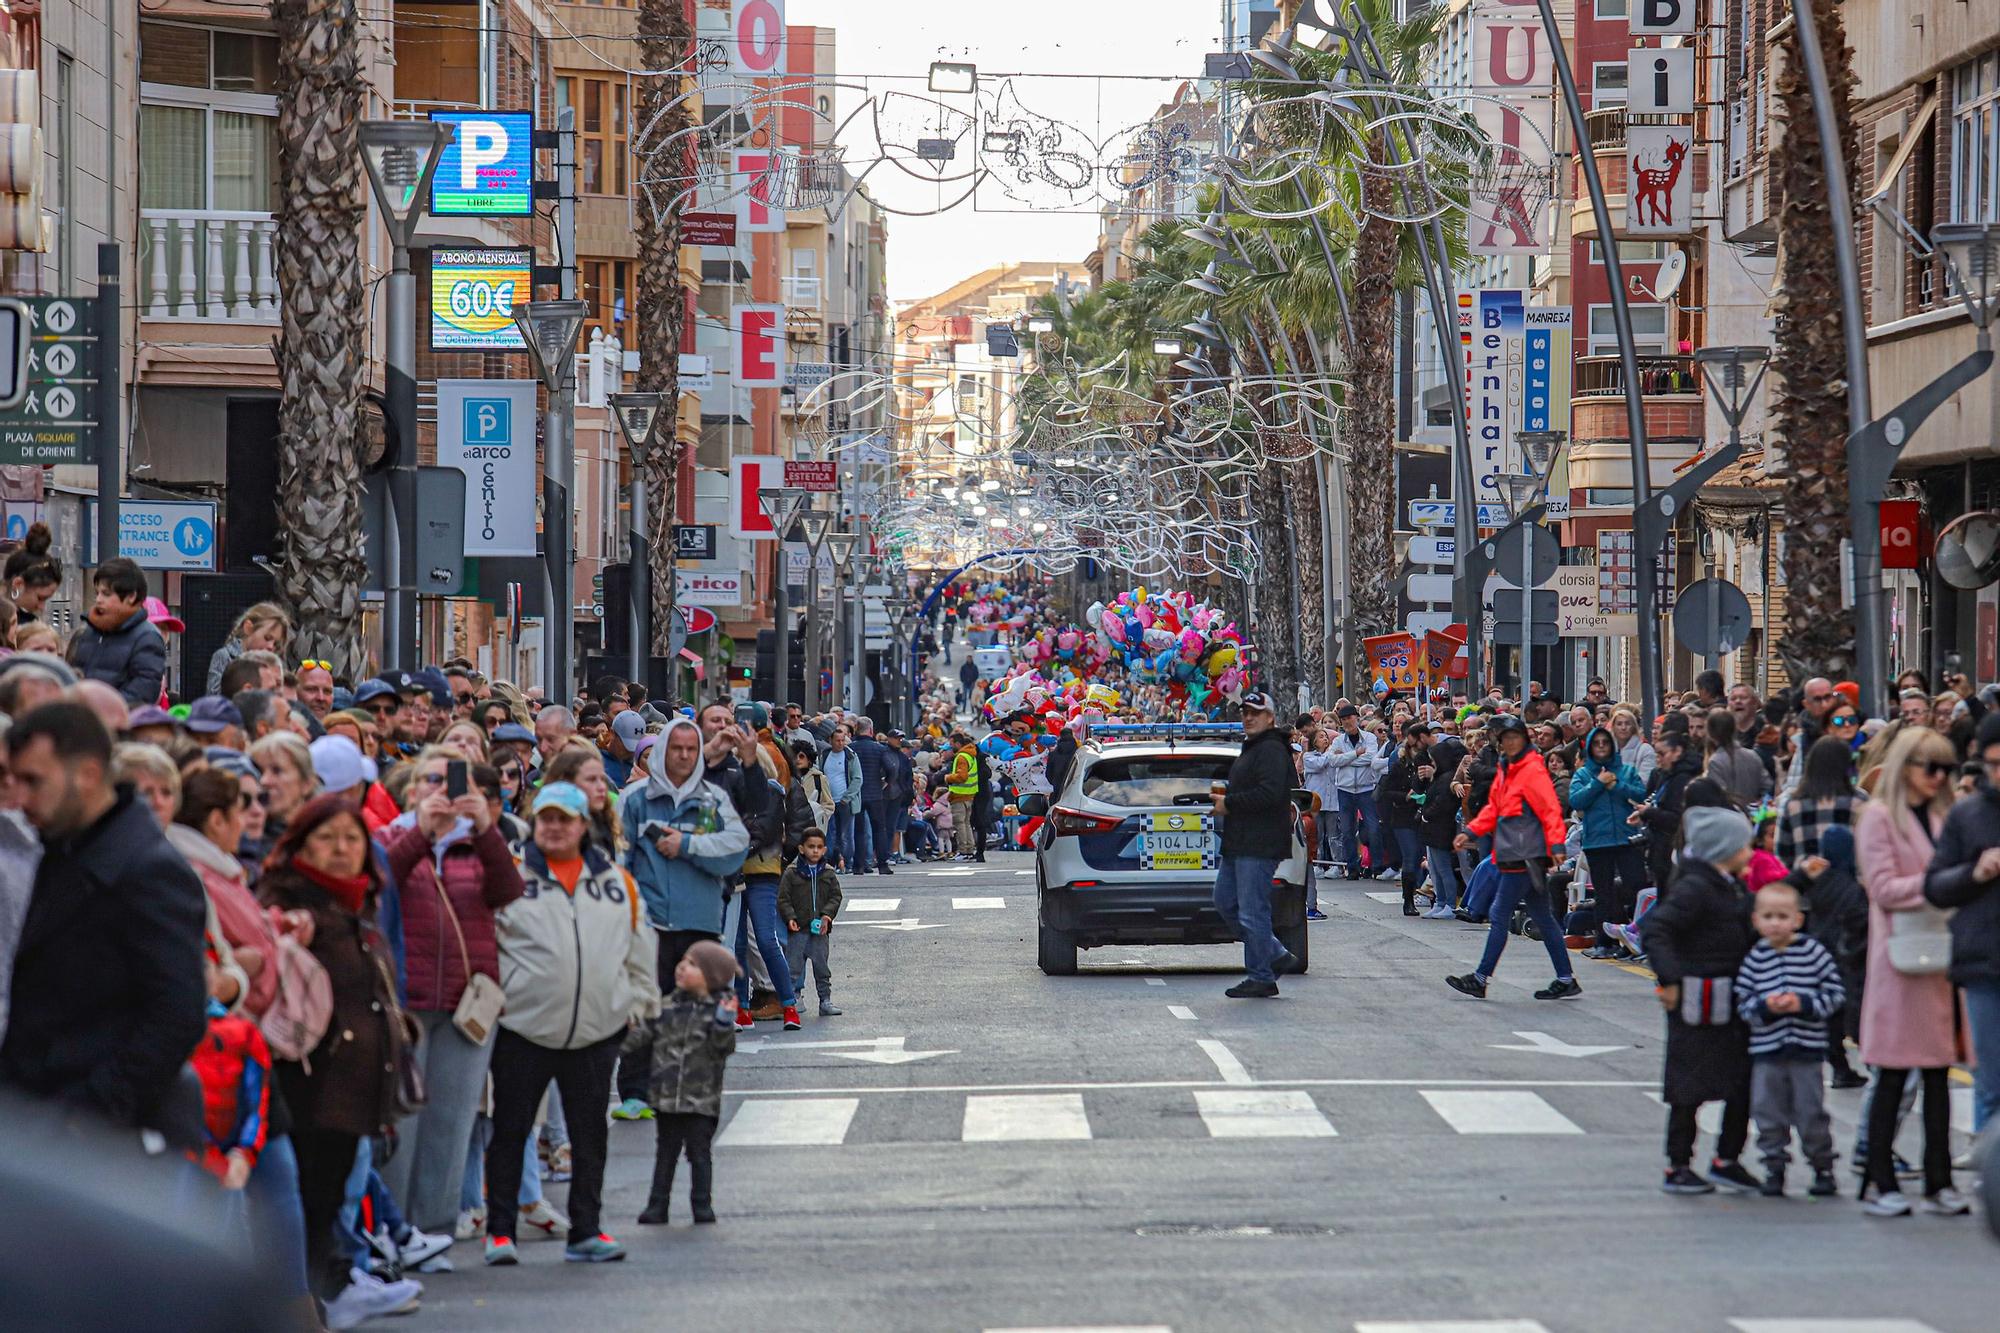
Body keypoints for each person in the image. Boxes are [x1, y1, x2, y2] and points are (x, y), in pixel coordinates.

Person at [0, 703, 206, 1129]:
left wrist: (87, 1113)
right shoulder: (61, 845)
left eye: (33, 781)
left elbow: (176, 1014)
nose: (18, 799)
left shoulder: (149, 869)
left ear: (88, 775)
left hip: (88, 1137)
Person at [256, 795, 421, 1324]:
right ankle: (304, 1304)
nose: (341, 850)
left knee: (327, 1201)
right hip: (309, 1085)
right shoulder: (289, 905)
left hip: (353, 1088)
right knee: (307, 1201)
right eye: (326, 839)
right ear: (300, 844)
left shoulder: (358, 902)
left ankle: (325, 1297)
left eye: (351, 839)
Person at [481, 783, 655, 1268]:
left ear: (583, 825)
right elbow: (487, 942)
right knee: (511, 1132)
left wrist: (635, 1007)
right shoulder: (511, 874)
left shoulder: (617, 881)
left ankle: (586, 1229)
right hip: (523, 1028)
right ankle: (499, 1231)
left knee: (589, 1137)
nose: (554, 827)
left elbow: (641, 948)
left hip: (596, 1032)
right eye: (546, 818)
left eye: (565, 819)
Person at [377, 746, 528, 1236]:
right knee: (405, 1121)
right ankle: (397, 1228)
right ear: (413, 789)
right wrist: (423, 831)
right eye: (432, 782)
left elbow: (507, 892)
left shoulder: (477, 842)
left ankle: (437, 1227)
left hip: (466, 1004)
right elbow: (381, 884)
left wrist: (484, 828)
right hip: (408, 1003)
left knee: (451, 1120)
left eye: (451, 782)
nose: (442, 792)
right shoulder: (390, 836)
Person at [1854, 726, 1971, 1216]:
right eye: (1929, 766)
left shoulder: (1946, 817)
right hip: (1900, 959)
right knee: (1894, 1074)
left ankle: (1938, 1180)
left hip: (1939, 955)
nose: (1937, 776)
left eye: (1945, 767)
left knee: (1938, 1075)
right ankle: (1880, 1179)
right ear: (1907, 766)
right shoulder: (1879, 817)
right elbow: (1882, 887)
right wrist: (1945, 884)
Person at [614, 718, 749, 1120]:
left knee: (695, 1012)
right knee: (645, 1006)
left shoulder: (712, 799)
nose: (685, 755)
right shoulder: (636, 799)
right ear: (662, 752)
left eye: (692, 749)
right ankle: (635, 1092)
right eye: (677, 748)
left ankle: (688, 1086)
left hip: (699, 921)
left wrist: (687, 844)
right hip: (649, 922)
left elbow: (735, 848)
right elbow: (620, 856)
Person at [1641, 804, 1761, 1195]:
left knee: (1741, 1080)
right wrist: (1671, 979)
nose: (1750, 851)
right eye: (1744, 845)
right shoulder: (1695, 887)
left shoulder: (1728, 883)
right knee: (1688, 1087)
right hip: (1698, 998)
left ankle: (1728, 1157)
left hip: (1732, 997)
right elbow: (1657, 930)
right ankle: (1678, 1164)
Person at [1446, 716, 1577, 1001]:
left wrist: (1556, 845)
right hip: (1515, 851)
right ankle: (1566, 978)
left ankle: (1480, 978)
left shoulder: (1531, 769)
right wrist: (1471, 830)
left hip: (1524, 853)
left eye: (1513, 736)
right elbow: (1495, 808)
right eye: (1504, 738)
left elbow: (1550, 809)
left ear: (1523, 738)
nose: (1509, 742)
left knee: (1499, 914)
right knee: (1543, 917)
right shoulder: (1508, 768)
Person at [1733, 882, 1844, 1197]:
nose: (1775, 923)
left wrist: (1805, 1004)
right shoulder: (1756, 958)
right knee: (1768, 1111)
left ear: (1797, 919)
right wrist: (1765, 1008)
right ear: (1756, 920)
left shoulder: (1813, 952)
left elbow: (1834, 993)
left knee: (1811, 1112)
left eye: (1783, 916)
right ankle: (1774, 1165)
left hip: (1807, 1050)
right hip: (1767, 1051)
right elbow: (1743, 1002)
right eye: (1768, 916)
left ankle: (1822, 1165)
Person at [1923, 711, 2000, 1137]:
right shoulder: (1967, 815)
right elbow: (1935, 885)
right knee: (1990, 1081)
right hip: (1983, 962)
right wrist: (1976, 871)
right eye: (1994, 764)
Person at [629, 939, 739, 1226]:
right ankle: (657, 1205)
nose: (681, 967)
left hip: (701, 1101)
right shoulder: (665, 1006)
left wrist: (724, 1023)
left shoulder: (717, 1012)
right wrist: (626, 1029)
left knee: (699, 1154)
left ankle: (702, 1205)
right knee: (665, 1153)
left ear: (711, 976)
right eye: (684, 961)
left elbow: (722, 1048)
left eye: (692, 965)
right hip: (666, 1097)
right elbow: (640, 1038)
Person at [1211, 691, 1297, 999]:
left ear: (1270, 717)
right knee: (1225, 901)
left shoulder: (1272, 749)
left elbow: (1271, 794)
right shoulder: (1253, 747)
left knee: (1252, 912)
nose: (1248, 717)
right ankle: (1274, 952)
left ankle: (1261, 975)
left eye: (1256, 713)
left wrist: (1229, 803)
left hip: (1259, 843)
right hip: (1239, 842)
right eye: (1245, 712)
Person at [1571, 725, 1649, 960]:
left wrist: (1616, 786)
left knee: (1636, 887)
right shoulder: (1583, 774)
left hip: (1627, 840)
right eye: (1597, 743)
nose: (1602, 747)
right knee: (1603, 893)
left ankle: (1635, 937)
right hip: (1598, 842)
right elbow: (1577, 800)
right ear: (1591, 747)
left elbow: (1640, 795)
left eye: (1606, 743)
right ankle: (1603, 942)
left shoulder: (1626, 771)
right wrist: (1598, 783)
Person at [66, 558, 167, 707]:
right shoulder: (88, 631)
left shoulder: (147, 637)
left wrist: (101, 709)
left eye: (106, 594)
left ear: (131, 597)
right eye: (97, 593)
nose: (99, 600)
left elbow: (142, 693)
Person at [779, 826, 844, 1016]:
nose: (814, 851)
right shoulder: (791, 873)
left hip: (820, 931)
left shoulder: (828, 873)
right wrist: (790, 916)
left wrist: (827, 915)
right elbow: (783, 898)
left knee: (822, 967)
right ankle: (793, 998)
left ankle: (825, 1000)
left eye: (819, 847)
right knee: (793, 967)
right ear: (801, 848)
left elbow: (835, 897)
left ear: (824, 849)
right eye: (810, 846)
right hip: (798, 929)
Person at [1775, 735, 1861, 866]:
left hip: (1806, 880)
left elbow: (1782, 851)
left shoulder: (1793, 803)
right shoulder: (1859, 800)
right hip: (1849, 878)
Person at [1379, 720, 1432, 917]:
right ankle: (1408, 900)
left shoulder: (1430, 762)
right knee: (1410, 856)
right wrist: (1405, 796)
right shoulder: (1400, 766)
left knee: (1419, 856)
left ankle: (1419, 891)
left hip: (1424, 815)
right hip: (1403, 816)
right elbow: (1386, 792)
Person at [1327, 704, 1381, 880]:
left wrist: (1346, 758)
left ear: (1356, 718)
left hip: (1366, 789)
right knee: (1347, 830)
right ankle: (1352, 867)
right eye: (1343, 720)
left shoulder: (1370, 738)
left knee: (1373, 828)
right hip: (1345, 789)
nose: (1347, 722)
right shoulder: (1337, 741)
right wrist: (1356, 754)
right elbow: (1332, 761)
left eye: (1350, 718)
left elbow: (1371, 758)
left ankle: (1376, 865)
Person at [1416, 732, 1467, 918]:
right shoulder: (1439, 778)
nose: (1431, 764)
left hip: (1441, 830)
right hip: (1432, 830)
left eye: (1433, 760)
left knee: (1444, 869)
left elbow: (1442, 804)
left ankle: (1449, 904)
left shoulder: (1446, 779)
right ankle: (1440, 902)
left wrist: (1426, 815)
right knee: (1435, 870)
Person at [208, 604, 291, 696]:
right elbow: (213, 698)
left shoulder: (274, 665)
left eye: (276, 644)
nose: (271, 646)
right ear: (248, 628)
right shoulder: (225, 656)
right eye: (267, 638)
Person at [945, 731, 979, 859]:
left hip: (959, 795)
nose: (950, 746)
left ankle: (963, 851)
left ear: (958, 743)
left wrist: (948, 778)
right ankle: (969, 849)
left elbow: (962, 776)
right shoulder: (971, 755)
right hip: (969, 795)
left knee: (960, 824)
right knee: (966, 823)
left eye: (951, 744)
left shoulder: (961, 757)